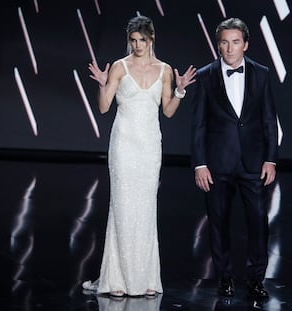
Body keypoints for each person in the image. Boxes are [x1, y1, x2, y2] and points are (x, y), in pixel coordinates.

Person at [82, 15, 196, 297]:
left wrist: (180, 91)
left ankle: (145, 279)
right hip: (123, 144)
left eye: (141, 40)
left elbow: (167, 111)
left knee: (145, 209)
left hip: (149, 146)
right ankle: (117, 280)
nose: (137, 45)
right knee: (121, 206)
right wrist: (101, 82)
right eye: (132, 40)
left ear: (151, 39)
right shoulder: (120, 67)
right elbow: (104, 107)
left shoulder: (165, 70)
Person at [191, 17, 278, 300]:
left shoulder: (262, 73)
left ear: (246, 44)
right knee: (219, 223)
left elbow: (268, 119)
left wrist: (271, 159)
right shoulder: (205, 75)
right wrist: (200, 163)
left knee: (257, 222)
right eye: (225, 43)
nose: (230, 49)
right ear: (218, 45)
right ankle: (224, 279)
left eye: (236, 42)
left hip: (253, 162)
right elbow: (199, 125)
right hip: (217, 164)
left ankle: (255, 279)